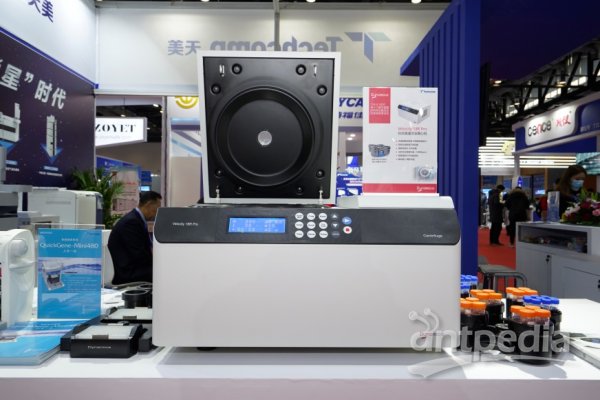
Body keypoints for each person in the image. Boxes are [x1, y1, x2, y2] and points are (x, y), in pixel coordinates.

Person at [108, 190, 162, 285]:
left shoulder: (136, 219)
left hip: (133, 267)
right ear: (149, 205)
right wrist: (158, 261)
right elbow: (139, 254)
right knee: (163, 272)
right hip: (127, 273)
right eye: (156, 209)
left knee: (162, 269)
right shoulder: (131, 223)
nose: (156, 214)